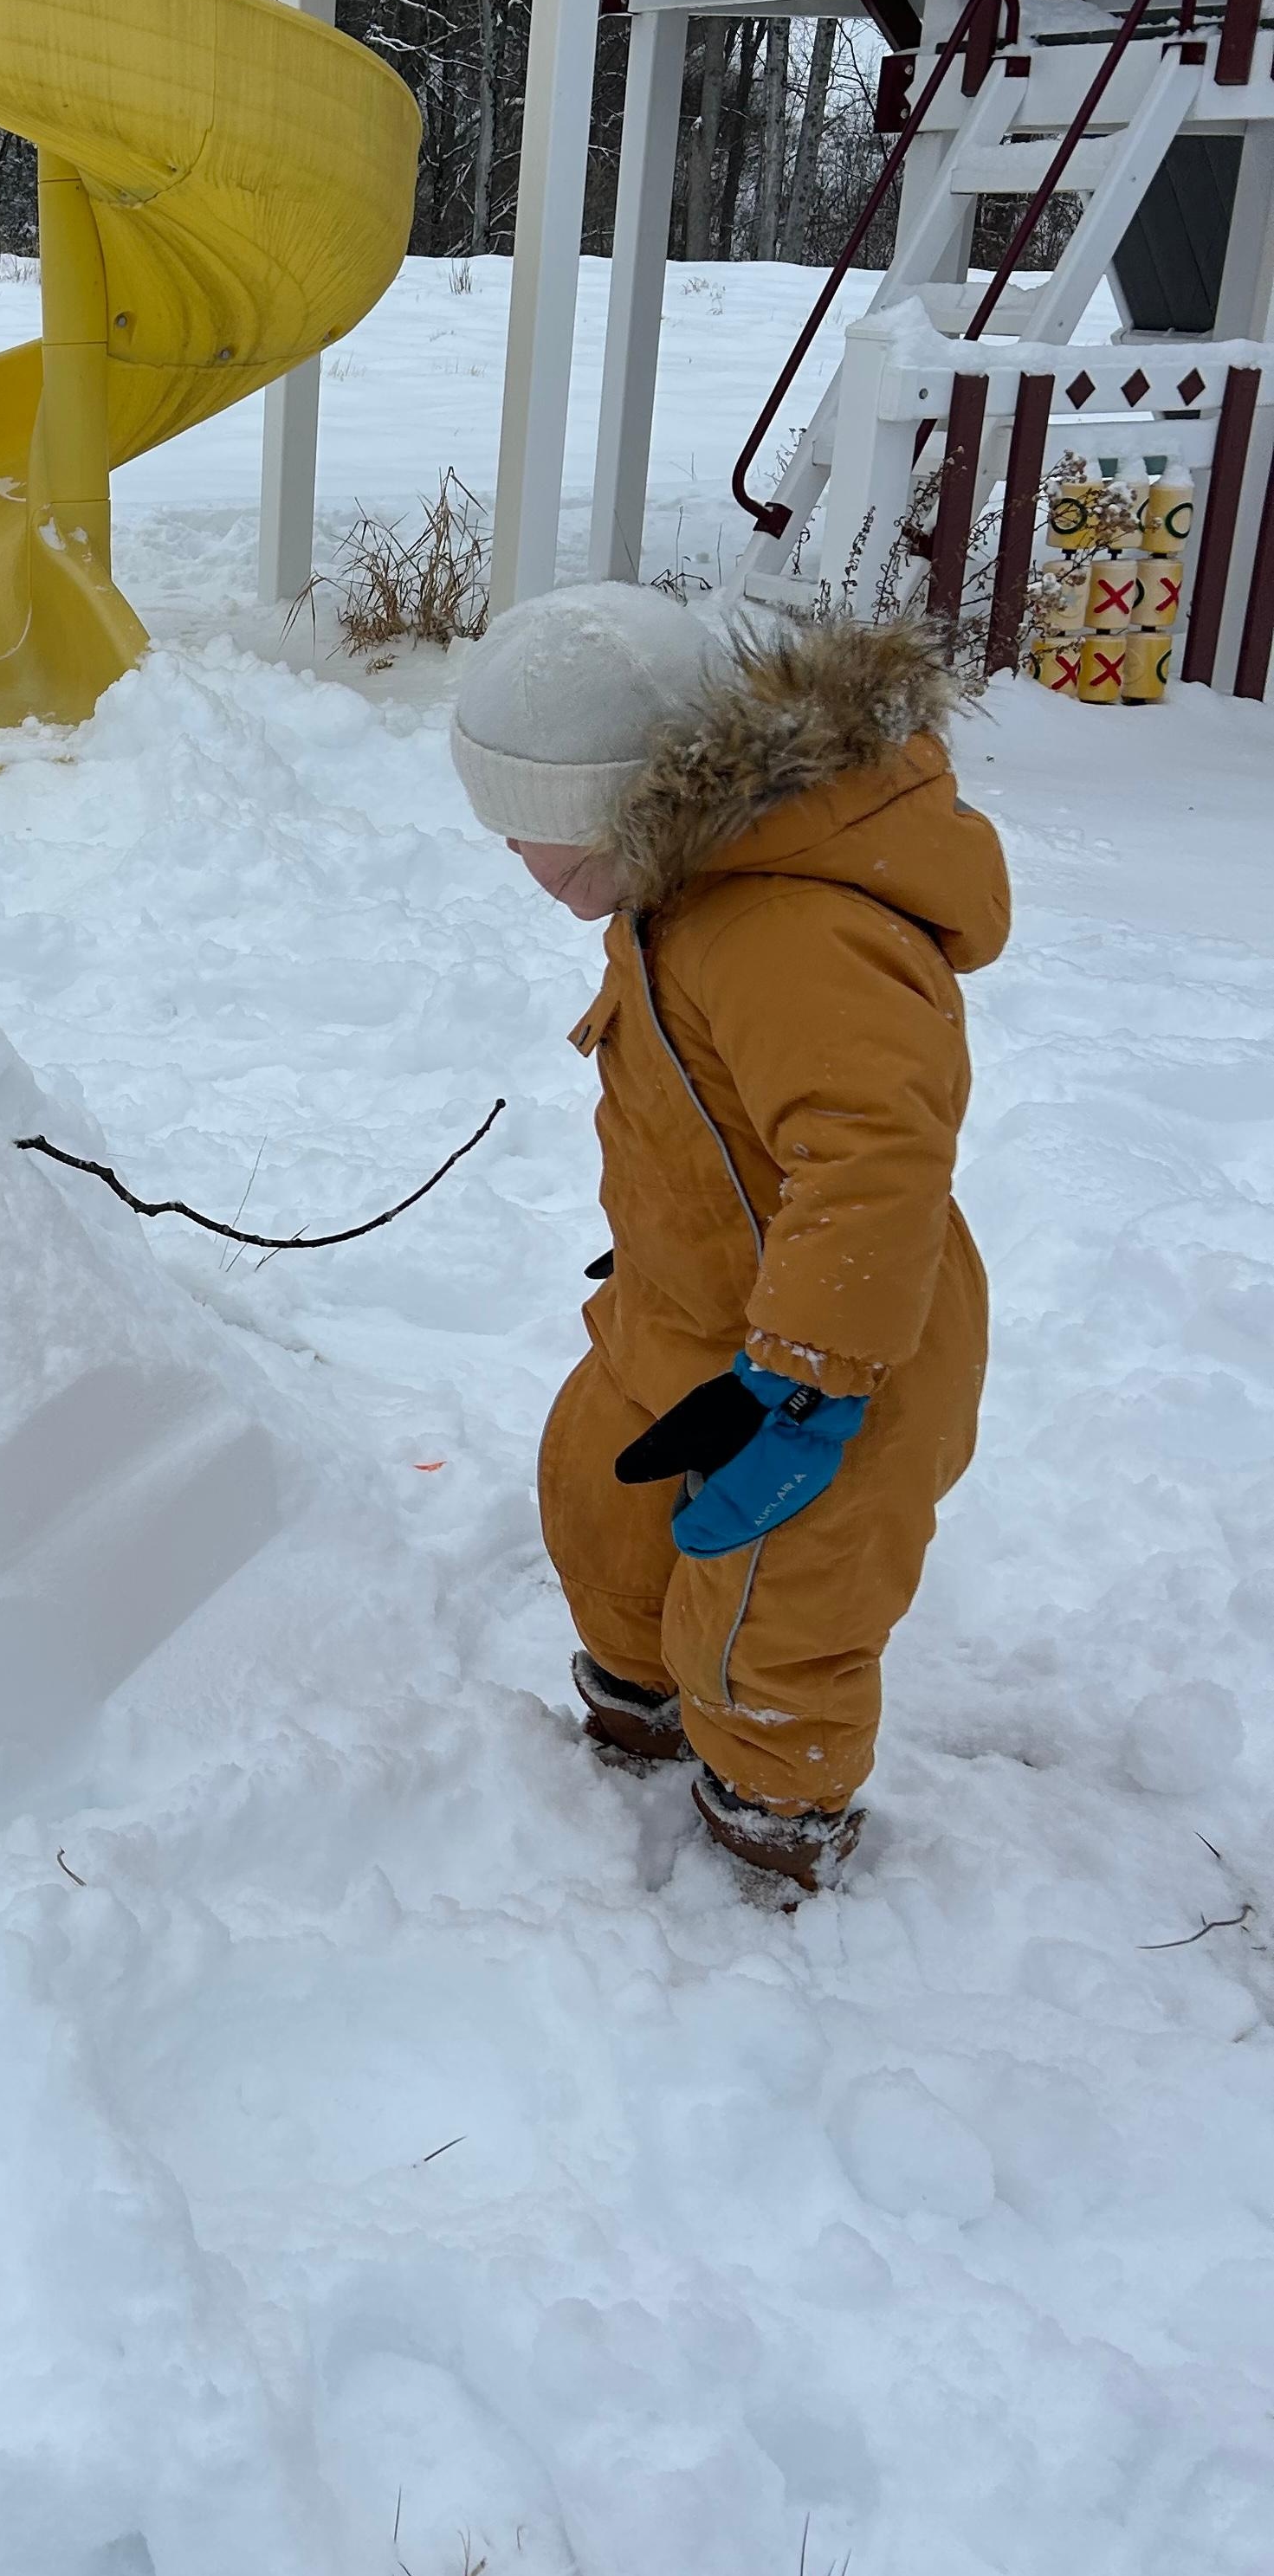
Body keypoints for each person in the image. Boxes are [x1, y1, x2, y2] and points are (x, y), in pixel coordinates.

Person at [448, 582, 1009, 1892]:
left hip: (838, 1345)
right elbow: (705, 1112)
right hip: (687, 1306)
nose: (509, 855)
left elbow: (874, 1155)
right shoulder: (680, 884)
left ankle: (771, 1819)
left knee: (778, 1614)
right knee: (603, 1498)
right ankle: (638, 1711)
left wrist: (810, 1375)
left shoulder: (786, 926)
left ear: (611, 811)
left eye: (525, 829)